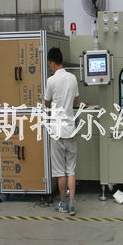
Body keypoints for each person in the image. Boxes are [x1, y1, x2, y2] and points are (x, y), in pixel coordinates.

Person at [44, 47, 79, 216]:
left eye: (49, 64)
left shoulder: (51, 81)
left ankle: (63, 204)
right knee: (70, 170)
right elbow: (75, 101)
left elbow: (46, 103)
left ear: (52, 63)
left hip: (57, 131)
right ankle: (72, 204)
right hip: (70, 130)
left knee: (59, 172)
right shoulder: (72, 78)